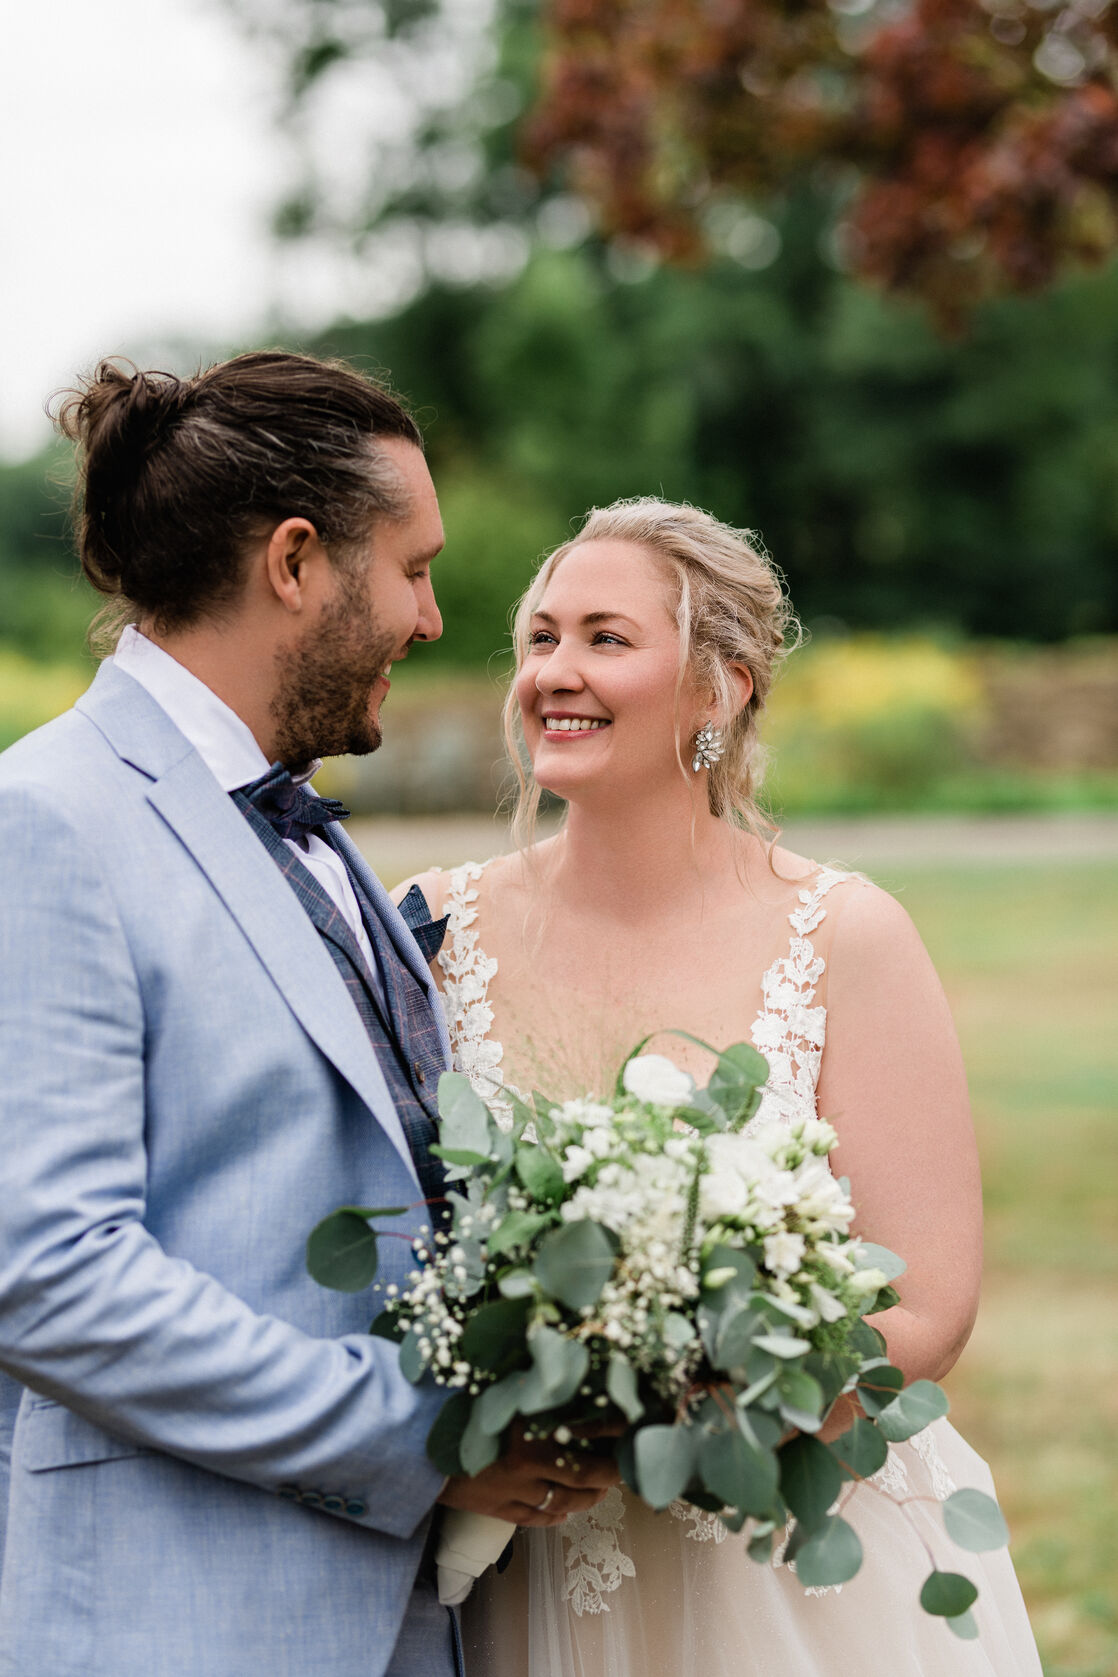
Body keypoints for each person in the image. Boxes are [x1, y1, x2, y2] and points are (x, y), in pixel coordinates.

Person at [0, 352, 615, 1677]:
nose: (436, 619)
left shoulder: (309, 826)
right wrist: (426, 1437)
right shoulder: (47, 820)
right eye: (411, 569)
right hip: (183, 1617)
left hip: (397, 1620)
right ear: (294, 562)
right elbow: (49, 1272)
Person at [396, 498, 1044, 1675]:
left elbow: (928, 1307)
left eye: (604, 638)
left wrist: (671, 1412)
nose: (554, 671)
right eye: (540, 637)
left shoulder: (842, 933)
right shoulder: (435, 927)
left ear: (719, 689)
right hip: (540, 1564)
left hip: (792, 1561)